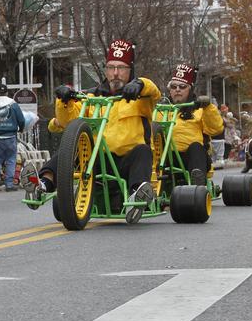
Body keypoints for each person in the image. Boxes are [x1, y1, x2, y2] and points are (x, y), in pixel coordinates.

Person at [34, 39, 160, 224]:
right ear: (105, 69)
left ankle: (137, 195)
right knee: (70, 150)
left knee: (143, 151)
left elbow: (154, 91)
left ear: (130, 69)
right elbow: (66, 122)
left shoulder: (141, 97)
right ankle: (42, 185)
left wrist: (140, 84)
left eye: (121, 68)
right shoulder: (91, 96)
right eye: (111, 67)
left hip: (127, 163)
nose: (115, 73)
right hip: (96, 161)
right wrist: (63, 100)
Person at [163, 63, 222, 186]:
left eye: (182, 86)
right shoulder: (162, 110)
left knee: (196, 146)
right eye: (174, 87)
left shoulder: (200, 110)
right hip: (167, 159)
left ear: (190, 89)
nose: (177, 90)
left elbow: (215, 129)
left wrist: (208, 107)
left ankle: (197, 183)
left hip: (193, 158)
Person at [0, 82, 26, 191]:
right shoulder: (13, 104)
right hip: (11, 136)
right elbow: (21, 119)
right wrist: (21, 128)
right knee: (11, 160)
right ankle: (9, 184)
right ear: (7, 92)